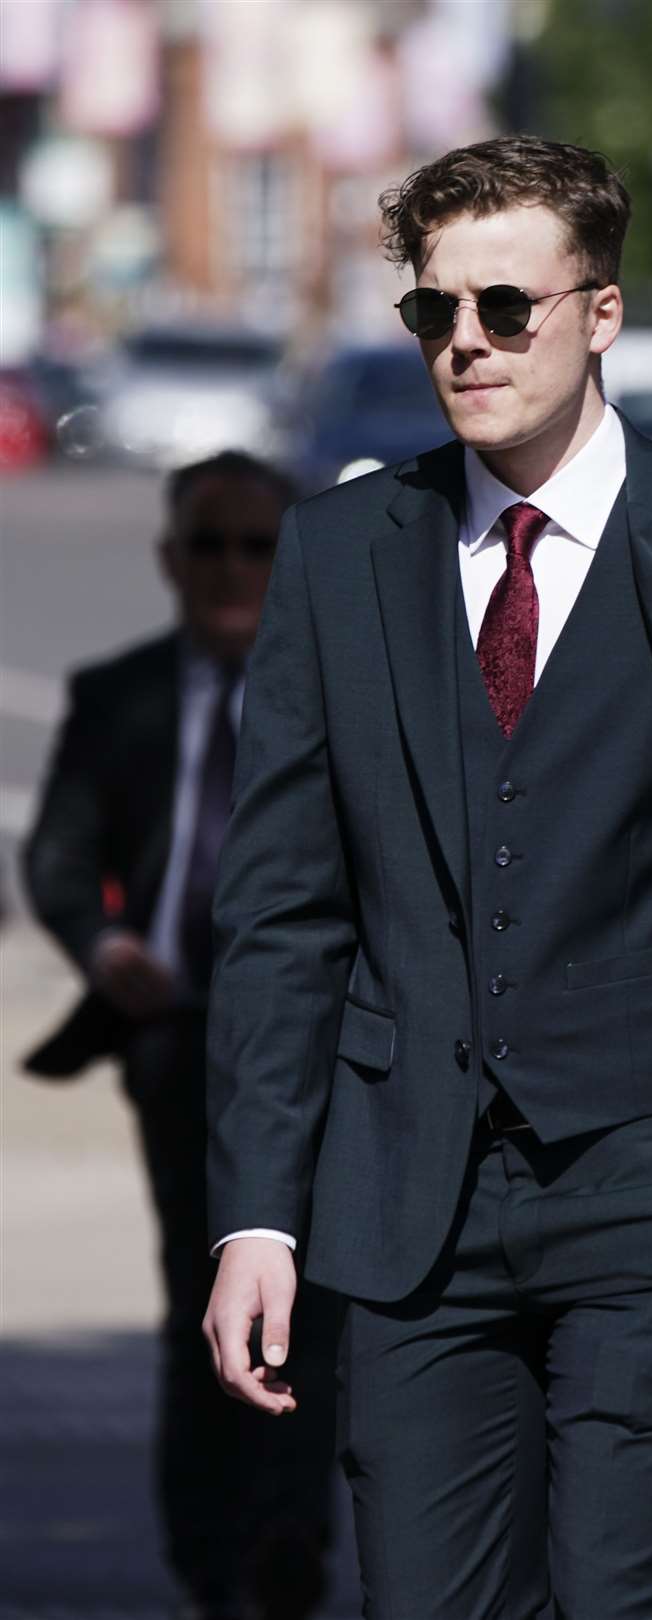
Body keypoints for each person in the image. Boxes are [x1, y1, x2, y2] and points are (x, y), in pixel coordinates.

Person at [203, 136, 652, 1619]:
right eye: (435, 313)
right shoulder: (341, 554)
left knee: (622, 1603)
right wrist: (257, 1214)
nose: (467, 343)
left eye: (507, 308)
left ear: (599, 314)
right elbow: (281, 915)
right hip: (409, 1213)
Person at [23, 451, 338, 1620]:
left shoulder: (349, 691)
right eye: (209, 544)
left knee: (326, 1297)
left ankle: (289, 1531)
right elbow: (57, 859)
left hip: (322, 1047)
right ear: (170, 559)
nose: (231, 570)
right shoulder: (122, 695)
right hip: (178, 1039)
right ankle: (211, 1553)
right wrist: (104, 950)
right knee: (201, 1291)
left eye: (258, 545)